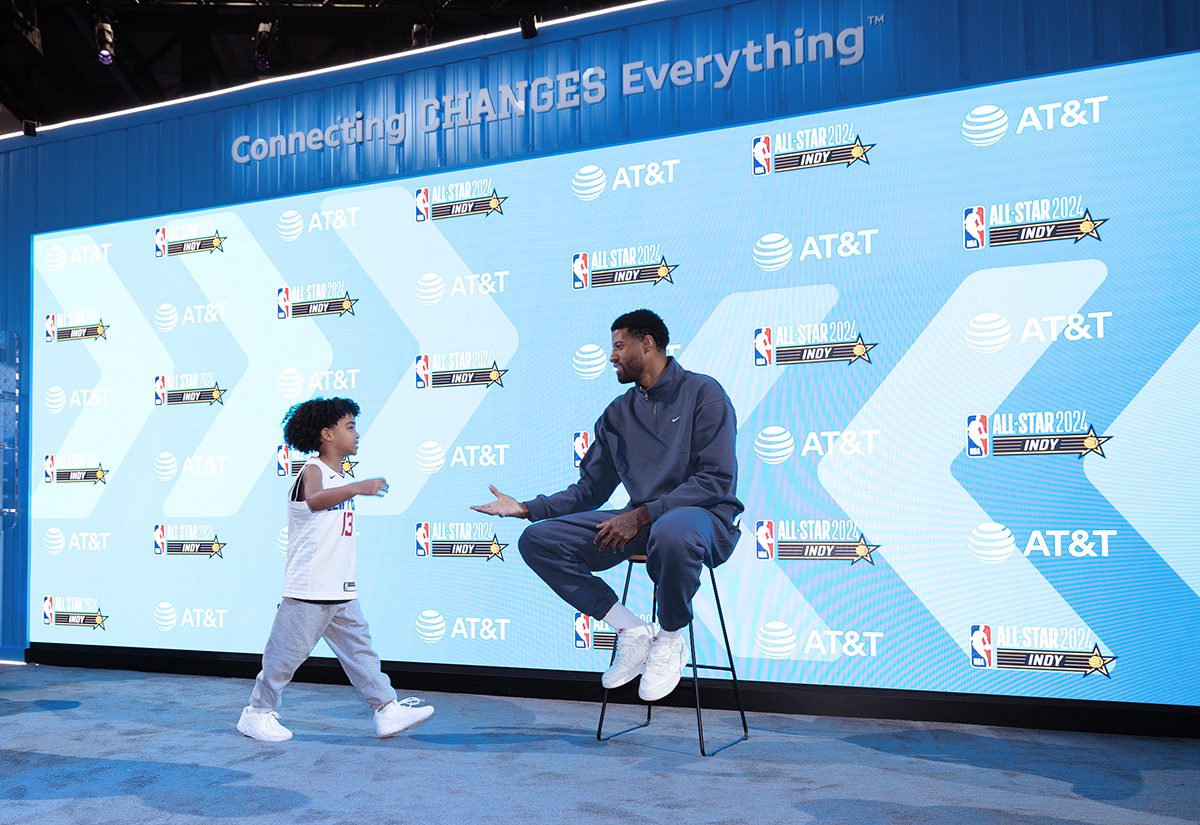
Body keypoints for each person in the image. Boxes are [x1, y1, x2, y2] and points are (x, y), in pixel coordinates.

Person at [473, 309, 743, 702]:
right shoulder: (618, 414)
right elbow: (590, 490)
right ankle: (631, 630)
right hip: (644, 522)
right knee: (539, 541)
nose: (612, 356)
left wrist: (642, 514)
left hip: (704, 518)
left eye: (619, 346)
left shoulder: (704, 393)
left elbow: (715, 479)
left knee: (672, 531)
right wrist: (528, 508)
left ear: (646, 344)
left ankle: (669, 638)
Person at [238, 397, 434, 742]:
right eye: (350, 427)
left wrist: (352, 485)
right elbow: (315, 500)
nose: (357, 434)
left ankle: (386, 709)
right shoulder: (313, 470)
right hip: (309, 589)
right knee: (284, 658)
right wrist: (358, 487)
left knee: (361, 653)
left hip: (340, 588)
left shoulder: (339, 476)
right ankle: (256, 714)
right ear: (327, 434)